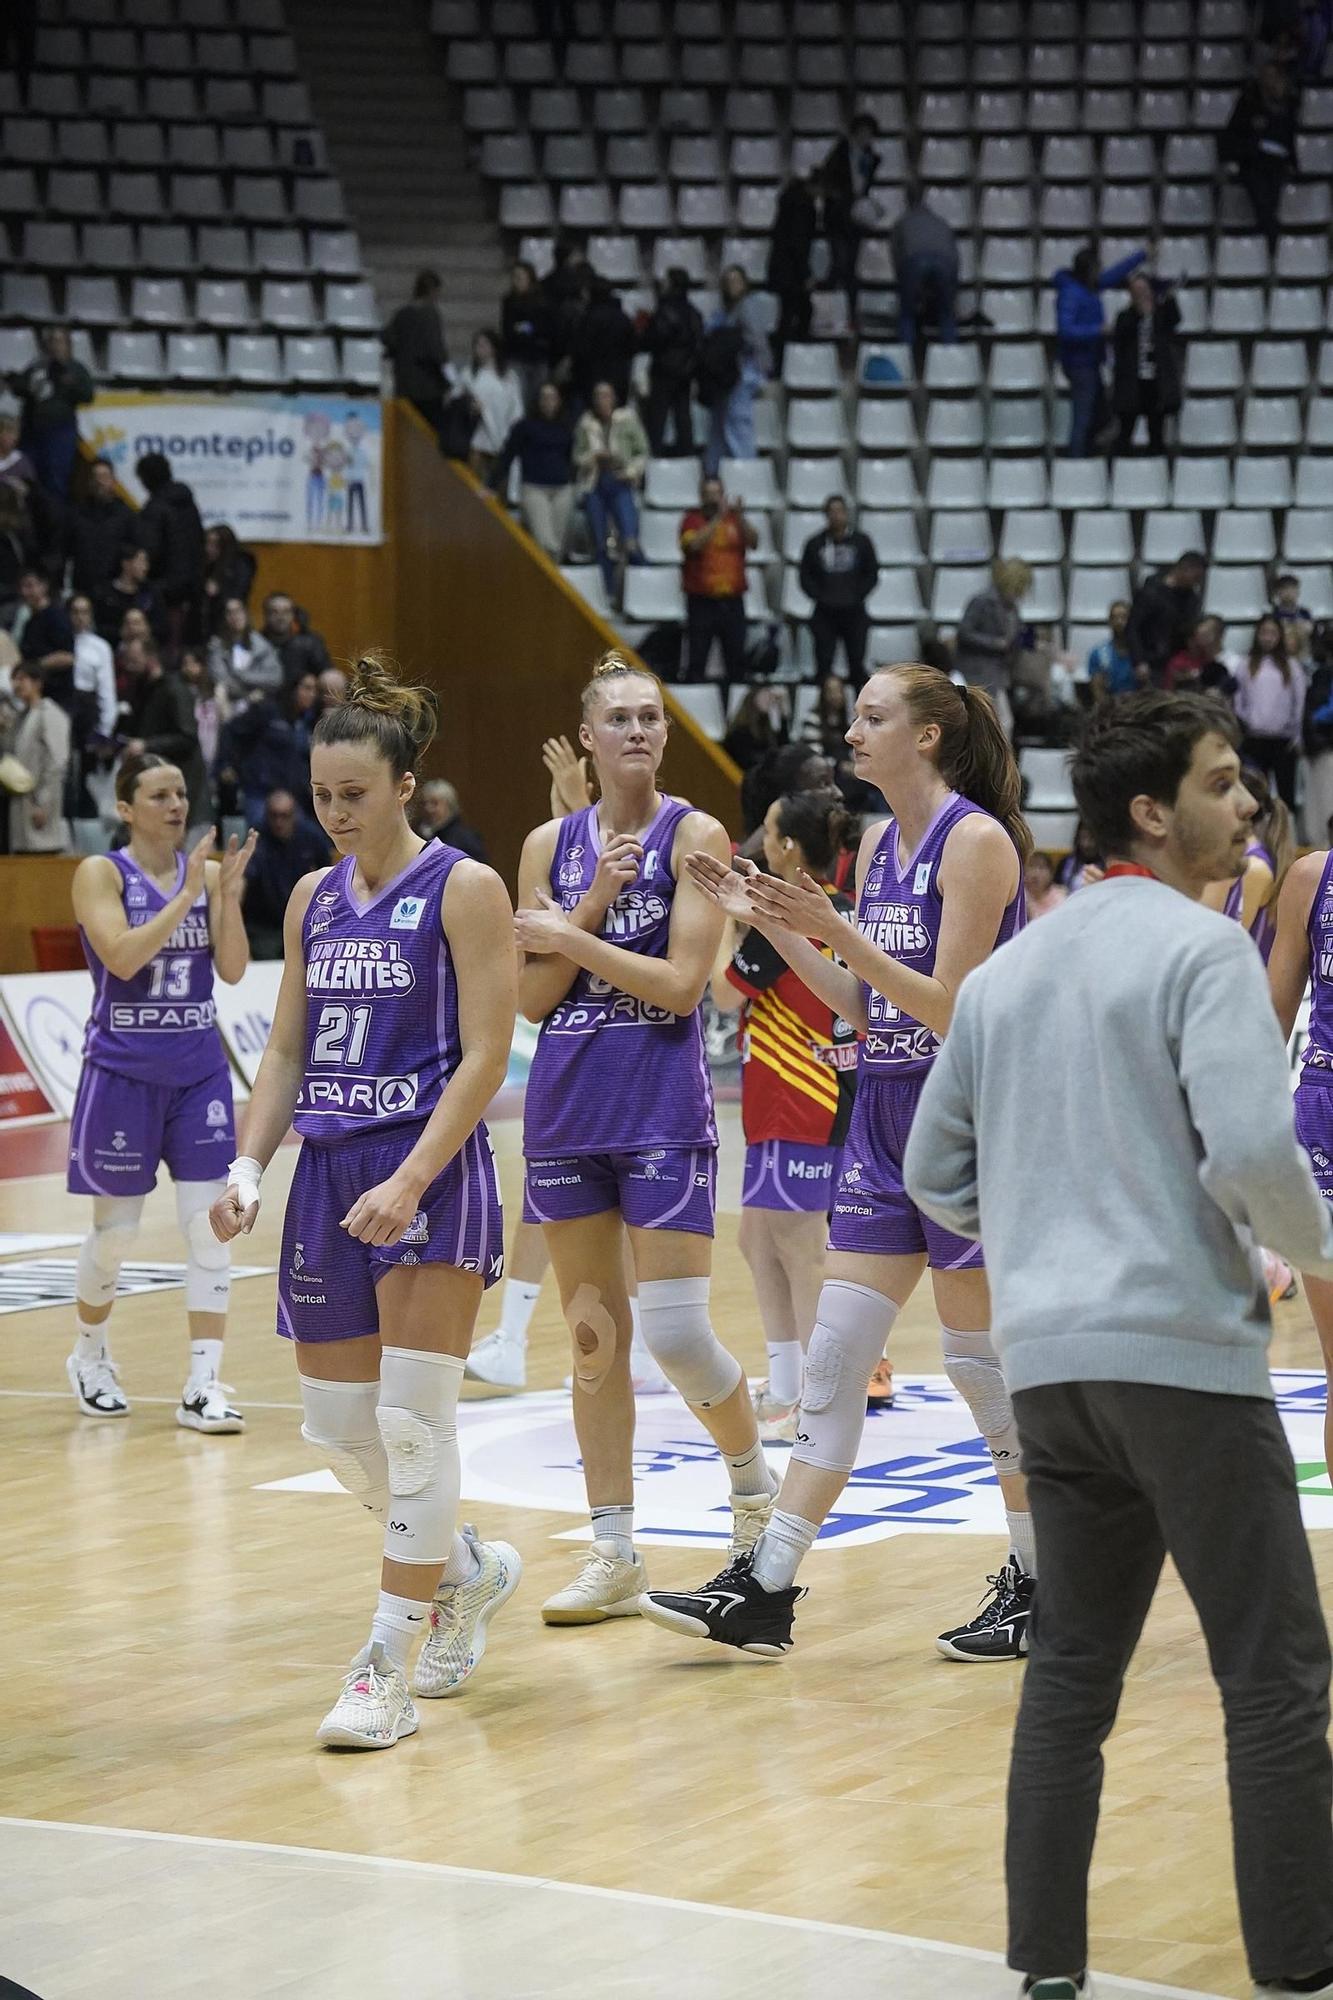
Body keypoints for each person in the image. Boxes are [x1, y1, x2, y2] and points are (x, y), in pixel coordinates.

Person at [905, 688, 1333, 2000]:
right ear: (1150, 813)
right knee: (1271, 1675)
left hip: (1051, 1369)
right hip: (1183, 1367)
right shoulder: (1202, 952)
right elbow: (1256, 1150)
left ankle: (1044, 1969)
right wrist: (1310, 1254)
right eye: (1218, 783)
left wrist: (1043, 1236)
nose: (1246, 804)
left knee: (1072, 1678)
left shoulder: (1012, 968)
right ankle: (1300, 1965)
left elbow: (933, 1170)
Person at [640, 665, 1035, 1661]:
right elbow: (864, 1005)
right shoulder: (874, 840)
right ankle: (765, 1585)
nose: (850, 730)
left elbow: (955, 1007)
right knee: (831, 1359)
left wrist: (835, 926)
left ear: (930, 736)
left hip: (971, 1115)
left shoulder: (975, 841)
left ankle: (1043, 1577)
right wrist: (769, 915)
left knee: (978, 1366)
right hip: (885, 1112)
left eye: (872, 716)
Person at [209, 653, 521, 1749]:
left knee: (411, 1424)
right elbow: (287, 1045)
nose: (332, 811)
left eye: (353, 793)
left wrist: (412, 1176)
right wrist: (250, 1165)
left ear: (403, 787)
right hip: (330, 1171)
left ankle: (385, 1659)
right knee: (337, 1423)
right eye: (321, 792)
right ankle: (467, 1568)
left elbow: (488, 1055)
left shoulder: (466, 887)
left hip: (427, 1169)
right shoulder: (308, 896)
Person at [514, 650, 779, 1624]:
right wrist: (582, 906)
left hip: (659, 1106)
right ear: (587, 738)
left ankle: (752, 1492)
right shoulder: (548, 842)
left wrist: (569, 936)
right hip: (567, 1108)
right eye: (618, 717)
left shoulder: (694, 832)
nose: (637, 729)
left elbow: (677, 988)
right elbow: (534, 1000)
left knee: (673, 1330)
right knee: (592, 1339)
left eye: (651, 716)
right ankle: (615, 1549)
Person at [66, 755, 256, 1429]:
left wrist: (225, 896)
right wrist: (186, 900)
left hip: (198, 1072)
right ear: (125, 808)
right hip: (120, 1073)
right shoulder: (100, 873)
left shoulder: (206, 877)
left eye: (180, 792)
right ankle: (89, 1355)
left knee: (210, 1230)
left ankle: (204, 1383)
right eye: (158, 794)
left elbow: (232, 970)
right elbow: (121, 957)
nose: (175, 804)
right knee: (115, 1236)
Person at [710, 787, 859, 1440]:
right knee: (756, 1238)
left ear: (788, 846)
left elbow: (718, 993)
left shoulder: (788, 919)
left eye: (767, 829)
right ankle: (789, 1383)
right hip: (783, 1100)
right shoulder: (833, 908)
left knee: (800, 1248)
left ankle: (819, 1398)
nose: (759, 839)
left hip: (804, 1099)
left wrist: (724, 914)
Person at [1053, 243, 1147, 456]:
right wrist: (1098, 330)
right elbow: (1066, 331)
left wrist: (1141, 255)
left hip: (1091, 362)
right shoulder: (1070, 294)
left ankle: (1087, 455)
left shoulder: (1088, 287)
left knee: (1099, 416)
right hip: (1079, 364)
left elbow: (1114, 274)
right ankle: (1076, 462)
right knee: (1083, 418)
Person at [121, 640, 211, 841]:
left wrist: (146, 745)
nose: (129, 666)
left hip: (186, 789)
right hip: (159, 788)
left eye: (134, 660)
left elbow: (188, 738)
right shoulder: (143, 691)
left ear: (151, 659)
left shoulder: (175, 689)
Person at [678, 474, 756, 687]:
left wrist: (740, 517)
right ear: (701, 496)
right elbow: (693, 545)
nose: (713, 498)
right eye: (708, 494)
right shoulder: (691, 520)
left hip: (732, 600)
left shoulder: (734, 520)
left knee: (737, 662)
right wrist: (716, 520)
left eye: (717, 493)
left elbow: (754, 541)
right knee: (697, 661)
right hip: (702, 601)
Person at [573, 381, 648, 597]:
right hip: (595, 484)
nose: (601, 400)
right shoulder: (585, 424)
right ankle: (606, 593)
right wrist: (594, 457)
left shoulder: (627, 420)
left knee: (629, 539)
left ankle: (641, 587)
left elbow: (642, 452)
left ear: (614, 398)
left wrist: (628, 469)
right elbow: (577, 457)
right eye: (597, 396)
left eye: (606, 395)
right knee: (600, 541)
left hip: (620, 482)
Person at [239, 787, 331, 960]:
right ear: (266, 815)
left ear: (295, 814)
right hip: (265, 927)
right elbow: (241, 883)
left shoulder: (312, 837)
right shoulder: (256, 840)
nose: (279, 822)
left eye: (285, 816)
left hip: (305, 923)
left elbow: (330, 880)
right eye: (274, 816)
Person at [798, 496, 879, 686]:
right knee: (823, 664)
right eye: (831, 512)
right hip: (824, 612)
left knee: (857, 664)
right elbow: (804, 576)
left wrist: (857, 594)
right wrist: (820, 596)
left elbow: (872, 572)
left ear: (846, 513)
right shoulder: (815, 543)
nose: (836, 516)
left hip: (855, 611)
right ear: (826, 515)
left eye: (839, 511)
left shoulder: (862, 541)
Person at [492, 381, 575, 564]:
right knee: (546, 543)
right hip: (534, 488)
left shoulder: (566, 426)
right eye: (544, 397)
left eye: (552, 398)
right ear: (537, 401)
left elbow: (572, 457)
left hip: (562, 489)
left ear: (559, 401)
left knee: (558, 547)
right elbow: (507, 455)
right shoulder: (524, 426)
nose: (548, 402)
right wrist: (490, 485)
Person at [700, 266, 772, 477]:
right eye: (728, 281)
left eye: (737, 280)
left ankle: (745, 474)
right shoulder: (723, 313)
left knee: (738, 425)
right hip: (722, 379)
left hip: (741, 377)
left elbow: (757, 341)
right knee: (719, 427)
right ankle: (713, 475)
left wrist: (762, 373)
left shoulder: (748, 307)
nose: (733, 285)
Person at [1233, 613, 1305, 810]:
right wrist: (1247, 722)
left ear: (1280, 636)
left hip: (1283, 740)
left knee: (1286, 795)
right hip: (1255, 738)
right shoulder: (1245, 665)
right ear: (1257, 635)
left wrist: (1297, 735)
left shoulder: (1291, 666)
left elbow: (1299, 703)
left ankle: (1285, 836)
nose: (1268, 637)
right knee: (1256, 794)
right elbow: (1239, 699)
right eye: (1264, 632)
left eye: (1273, 633)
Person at [1221, 61, 1298, 247]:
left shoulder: (1287, 105)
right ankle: (1274, 240)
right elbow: (1232, 136)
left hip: (1277, 163)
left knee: (1272, 196)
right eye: (1266, 77)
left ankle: (1271, 237)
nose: (1269, 81)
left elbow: (1288, 138)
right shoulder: (1248, 103)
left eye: (1274, 77)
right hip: (1253, 161)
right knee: (1262, 199)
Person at [134, 453, 206, 650]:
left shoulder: (155, 509)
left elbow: (150, 548)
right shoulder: (188, 504)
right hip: (193, 586)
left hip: (165, 589)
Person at [16, 326, 94, 502]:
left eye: (59, 341)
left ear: (68, 345)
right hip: (32, 431)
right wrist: (30, 386)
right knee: (27, 477)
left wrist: (70, 383)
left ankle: (55, 523)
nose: (55, 346)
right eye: (51, 341)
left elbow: (88, 395)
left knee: (56, 480)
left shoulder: (76, 369)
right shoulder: (36, 366)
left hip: (60, 431)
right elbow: (17, 387)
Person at [1111, 270, 1184, 456]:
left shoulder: (1161, 314)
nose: (1142, 294)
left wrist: (1168, 298)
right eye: (1137, 291)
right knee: (1125, 433)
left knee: (1157, 433)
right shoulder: (1125, 317)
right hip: (1133, 384)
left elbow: (1175, 319)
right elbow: (1120, 338)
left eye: (1144, 290)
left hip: (1155, 383)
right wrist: (1139, 314)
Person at [955, 559, 1032, 731]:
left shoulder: (1012, 608)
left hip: (998, 673)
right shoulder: (982, 602)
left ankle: (999, 757)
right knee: (999, 723)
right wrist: (995, 643)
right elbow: (964, 633)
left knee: (1003, 723)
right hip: (978, 672)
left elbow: (1017, 636)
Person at [824, 114, 885, 325]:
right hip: (838, 217)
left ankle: (850, 315)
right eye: (864, 133)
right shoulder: (839, 154)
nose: (867, 138)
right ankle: (826, 309)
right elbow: (829, 184)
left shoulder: (870, 158)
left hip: (855, 220)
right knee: (839, 264)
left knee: (850, 268)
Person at [6, 662, 70, 853]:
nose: (17, 685)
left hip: (40, 805)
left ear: (37, 683)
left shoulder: (49, 713)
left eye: (22, 679)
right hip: (20, 803)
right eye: (14, 680)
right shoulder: (20, 717)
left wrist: (44, 803)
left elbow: (57, 762)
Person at [382, 270, 451, 443]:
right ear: (434, 291)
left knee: (407, 437)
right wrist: (450, 379)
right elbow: (436, 350)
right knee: (429, 436)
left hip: (404, 384)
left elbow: (387, 338)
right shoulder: (430, 314)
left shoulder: (401, 314)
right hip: (428, 388)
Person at [890, 184, 960, 349]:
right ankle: (950, 356)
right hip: (945, 263)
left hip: (914, 260)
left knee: (907, 313)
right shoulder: (941, 222)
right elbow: (954, 254)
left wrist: (902, 281)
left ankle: (906, 357)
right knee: (946, 314)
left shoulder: (902, 222)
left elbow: (895, 254)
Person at [642, 267, 703, 458]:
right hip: (685, 372)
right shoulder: (694, 313)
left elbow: (652, 340)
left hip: (663, 371)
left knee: (657, 419)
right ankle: (687, 456)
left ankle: (653, 458)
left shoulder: (664, 311)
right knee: (683, 418)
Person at [1126, 550, 1206, 685]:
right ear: (1185, 569)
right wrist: (1139, 660)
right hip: (1151, 661)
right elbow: (1133, 627)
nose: (1196, 583)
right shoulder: (1151, 592)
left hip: (1177, 662)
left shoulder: (1191, 599)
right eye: (1195, 578)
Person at [458, 330, 525, 482]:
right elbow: (455, 400)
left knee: (498, 485)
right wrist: (469, 406)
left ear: (494, 348)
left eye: (484, 345)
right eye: (477, 345)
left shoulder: (508, 376)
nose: (479, 349)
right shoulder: (468, 374)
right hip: (477, 435)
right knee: (473, 482)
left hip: (501, 434)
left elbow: (516, 408)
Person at [767, 174, 818, 372]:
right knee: (798, 315)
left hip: (781, 271)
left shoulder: (788, 204)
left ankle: (783, 364)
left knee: (788, 317)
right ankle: (789, 363)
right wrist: (806, 274)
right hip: (792, 273)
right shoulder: (803, 208)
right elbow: (799, 244)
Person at [67, 457, 134, 600]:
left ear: (113, 481)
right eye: (95, 477)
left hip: (115, 593)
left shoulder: (125, 516)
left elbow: (132, 552)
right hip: (83, 591)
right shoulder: (76, 515)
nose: (99, 482)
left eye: (104, 476)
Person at [568, 278, 637, 412]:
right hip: (619, 375)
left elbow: (580, 349)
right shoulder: (623, 317)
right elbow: (632, 347)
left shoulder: (588, 318)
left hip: (590, 376)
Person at [500, 259, 553, 413]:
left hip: (538, 355)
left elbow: (545, 327)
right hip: (517, 355)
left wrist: (527, 328)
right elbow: (508, 329)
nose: (517, 282)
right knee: (520, 397)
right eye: (514, 277)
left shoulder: (542, 301)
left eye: (520, 277)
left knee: (537, 397)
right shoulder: (509, 301)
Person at [207, 596, 283, 701]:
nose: (235, 616)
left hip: (258, 699)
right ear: (224, 618)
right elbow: (220, 679)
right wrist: (246, 695)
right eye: (230, 613)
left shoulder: (260, 643)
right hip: (230, 700)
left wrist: (242, 676)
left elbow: (275, 678)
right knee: (220, 691)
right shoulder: (217, 645)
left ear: (246, 614)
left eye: (238, 611)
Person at [94, 544, 163, 648]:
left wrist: (144, 630)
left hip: (146, 648)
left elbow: (162, 625)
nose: (145, 567)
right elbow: (97, 625)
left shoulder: (150, 593)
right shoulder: (105, 594)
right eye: (141, 561)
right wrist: (121, 632)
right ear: (126, 563)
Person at [261, 592, 333, 685]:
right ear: (266, 615)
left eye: (286, 611)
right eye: (275, 612)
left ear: (293, 615)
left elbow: (326, 671)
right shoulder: (255, 643)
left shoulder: (310, 643)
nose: (281, 617)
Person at [201, 524, 256, 642]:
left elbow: (238, 596)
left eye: (215, 545)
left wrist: (219, 591)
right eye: (207, 543)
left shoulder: (240, 565)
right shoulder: (205, 566)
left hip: (229, 626)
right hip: (206, 628)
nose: (208, 549)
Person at [1164, 612, 1239, 697]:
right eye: (1198, 634)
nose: (1199, 638)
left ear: (1219, 635)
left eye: (1205, 634)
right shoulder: (1186, 661)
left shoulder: (1234, 662)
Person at [416, 777, 488, 862]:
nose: (428, 809)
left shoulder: (466, 839)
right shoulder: (419, 834)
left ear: (449, 804)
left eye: (434, 803)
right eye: (424, 803)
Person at [721, 685, 789, 774]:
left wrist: (783, 715)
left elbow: (784, 750)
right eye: (765, 695)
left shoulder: (766, 730)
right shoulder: (739, 732)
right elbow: (747, 763)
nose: (769, 699)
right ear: (753, 698)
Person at [1086, 600, 1137, 698]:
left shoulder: (1142, 654)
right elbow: (1099, 694)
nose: (1119, 622)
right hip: (1112, 709)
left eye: (1124, 617)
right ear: (1109, 621)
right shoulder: (1098, 654)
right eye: (1115, 618)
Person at [1023, 850, 1067, 920]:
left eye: (1041, 867)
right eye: (1031, 866)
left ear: (1051, 873)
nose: (1035, 873)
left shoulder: (1060, 898)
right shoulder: (1020, 896)